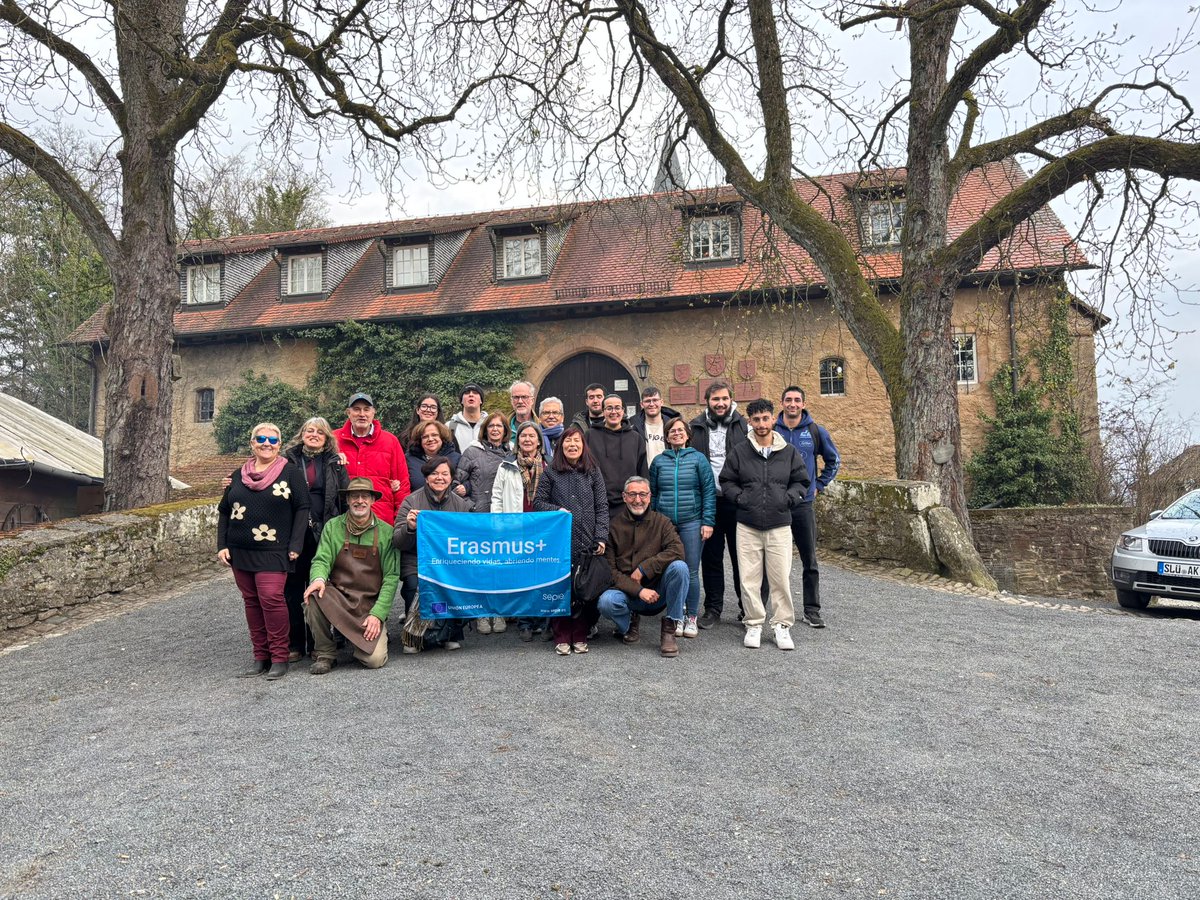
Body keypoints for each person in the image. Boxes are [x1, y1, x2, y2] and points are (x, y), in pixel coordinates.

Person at [217, 422, 311, 680]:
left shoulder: (290, 473)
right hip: (240, 550)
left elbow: (303, 508)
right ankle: (261, 656)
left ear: (279, 445)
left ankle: (279, 657)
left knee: (271, 599)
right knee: (251, 602)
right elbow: (224, 511)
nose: (266, 444)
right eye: (261, 439)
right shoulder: (238, 475)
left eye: (272, 440)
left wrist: (296, 544)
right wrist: (222, 545)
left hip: (274, 549)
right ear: (252, 443)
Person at [720, 398, 809, 651]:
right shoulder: (740, 451)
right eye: (756, 419)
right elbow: (726, 480)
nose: (761, 424)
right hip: (747, 524)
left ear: (773, 419)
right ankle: (754, 623)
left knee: (780, 578)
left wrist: (788, 499)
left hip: (779, 524)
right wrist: (741, 498)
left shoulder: (788, 451)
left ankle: (782, 625)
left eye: (765, 418)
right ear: (750, 421)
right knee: (749, 579)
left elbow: (801, 481)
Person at [302, 477, 398, 674]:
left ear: (372, 500)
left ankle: (358, 639)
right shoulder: (333, 526)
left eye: (365, 496)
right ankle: (325, 653)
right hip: (339, 597)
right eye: (354, 496)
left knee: (374, 660)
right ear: (347, 500)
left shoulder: (387, 532)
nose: (359, 501)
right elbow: (321, 560)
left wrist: (378, 614)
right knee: (313, 597)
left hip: (368, 604)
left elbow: (391, 578)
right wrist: (318, 579)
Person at [534, 424, 608, 654]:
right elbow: (538, 502)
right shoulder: (551, 473)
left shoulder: (593, 471)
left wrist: (601, 536)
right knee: (562, 590)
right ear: (560, 446)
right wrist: (557, 510)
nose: (572, 445)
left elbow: (602, 506)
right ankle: (562, 635)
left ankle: (581, 633)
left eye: (577, 441)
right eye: (568, 441)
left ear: (583, 446)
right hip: (560, 544)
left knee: (583, 590)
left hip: (587, 541)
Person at [597, 476, 689, 657]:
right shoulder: (613, 526)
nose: (637, 500)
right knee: (606, 602)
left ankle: (670, 628)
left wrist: (644, 569)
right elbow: (610, 571)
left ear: (649, 496)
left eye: (642, 494)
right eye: (632, 494)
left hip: (658, 592)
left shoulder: (662, 522)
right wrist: (639, 590)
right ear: (624, 497)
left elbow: (678, 551)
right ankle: (628, 624)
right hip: (627, 593)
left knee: (680, 568)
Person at [281, 417, 349, 662]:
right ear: (302, 434)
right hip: (293, 532)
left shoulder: (335, 462)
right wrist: (231, 479)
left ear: (327, 438)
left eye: (320, 432)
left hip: (325, 530)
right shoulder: (286, 461)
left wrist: (344, 532)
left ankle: (317, 643)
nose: (314, 435)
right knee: (292, 588)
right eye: (310, 430)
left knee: (319, 585)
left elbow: (345, 497)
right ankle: (295, 643)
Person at [773, 386, 841, 629]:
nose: (792, 404)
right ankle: (763, 610)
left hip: (803, 504)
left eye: (797, 400)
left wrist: (819, 484)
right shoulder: (772, 430)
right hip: (776, 504)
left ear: (803, 404)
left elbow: (833, 460)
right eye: (788, 400)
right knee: (771, 560)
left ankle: (811, 610)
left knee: (809, 560)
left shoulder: (815, 431)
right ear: (782, 403)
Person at [392, 456, 473, 652]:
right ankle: (413, 637)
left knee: (456, 583)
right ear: (426, 477)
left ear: (451, 478)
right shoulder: (411, 501)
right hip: (417, 560)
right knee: (413, 584)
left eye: (445, 474)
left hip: (449, 561)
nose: (440, 478)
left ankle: (449, 634)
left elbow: (469, 538)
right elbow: (397, 541)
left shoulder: (461, 505)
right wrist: (410, 528)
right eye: (434, 474)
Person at [689, 380, 750, 629]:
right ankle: (713, 608)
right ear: (707, 401)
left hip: (737, 502)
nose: (721, 403)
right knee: (711, 558)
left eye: (725, 398)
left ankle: (747, 608)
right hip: (709, 502)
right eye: (716, 399)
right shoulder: (695, 427)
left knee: (741, 558)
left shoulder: (744, 426)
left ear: (731, 400)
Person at [649, 416, 716, 638]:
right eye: (672, 431)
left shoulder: (699, 459)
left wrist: (708, 521)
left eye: (680, 430)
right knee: (671, 569)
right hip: (666, 524)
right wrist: (654, 522)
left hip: (692, 522)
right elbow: (653, 494)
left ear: (687, 435)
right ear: (667, 437)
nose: (676, 434)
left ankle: (691, 617)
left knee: (691, 570)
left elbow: (708, 491)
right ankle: (675, 615)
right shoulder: (658, 461)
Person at [492, 420, 551, 641]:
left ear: (539, 441)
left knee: (542, 574)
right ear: (518, 441)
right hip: (515, 529)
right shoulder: (506, 466)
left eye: (531, 436)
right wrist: (499, 526)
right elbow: (497, 497)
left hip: (541, 529)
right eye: (523, 436)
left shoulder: (549, 465)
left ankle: (542, 619)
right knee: (522, 577)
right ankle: (525, 621)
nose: (527, 439)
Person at [334, 392, 410, 525]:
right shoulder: (333, 440)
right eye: (356, 409)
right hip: (343, 520)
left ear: (373, 412)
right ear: (348, 413)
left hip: (382, 521)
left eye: (366, 409)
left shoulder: (390, 441)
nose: (362, 414)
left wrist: (400, 520)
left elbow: (402, 485)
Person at [589, 393, 648, 520]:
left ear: (623, 411)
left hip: (629, 504)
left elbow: (642, 473)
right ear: (603, 411)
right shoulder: (590, 436)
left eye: (617, 408)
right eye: (609, 408)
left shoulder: (636, 438)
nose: (613, 412)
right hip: (597, 504)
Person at [457, 412, 510, 513]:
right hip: (478, 515)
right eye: (491, 426)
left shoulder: (512, 454)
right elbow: (456, 485)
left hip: (505, 513)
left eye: (499, 426)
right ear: (485, 430)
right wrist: (471, 506)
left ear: (505, 430)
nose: (495, 429)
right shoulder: (472, 452)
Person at [406, 420, 463, 493]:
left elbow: (469, 481)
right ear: (420, 440)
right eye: (425, 437)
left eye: (434, 435)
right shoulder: (409, 459)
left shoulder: (456, 458)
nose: (430, 439)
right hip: (417, 500)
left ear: (442, 437)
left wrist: (466, 488)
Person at [631, 385, 679, 467]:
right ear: (642, 404)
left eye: (655, 400)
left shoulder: (673, 425)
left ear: (661, 402)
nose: (651, 404)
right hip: (644, 473)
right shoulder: (633, 426)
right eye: (647, 401)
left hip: (668, 471)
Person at [509, 380, 552, 456]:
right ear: (511, 401)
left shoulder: (543, 428)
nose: (520, 401)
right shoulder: (504, 429)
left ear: (532, 400)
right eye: (516, 397)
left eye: (524, 397)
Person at [447, 384, 487, 452]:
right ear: (461, 401)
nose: (471, 395)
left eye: (475, 393)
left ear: (481, 401)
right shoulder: (449, 427)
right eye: (467, 393)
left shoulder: (490, 425)